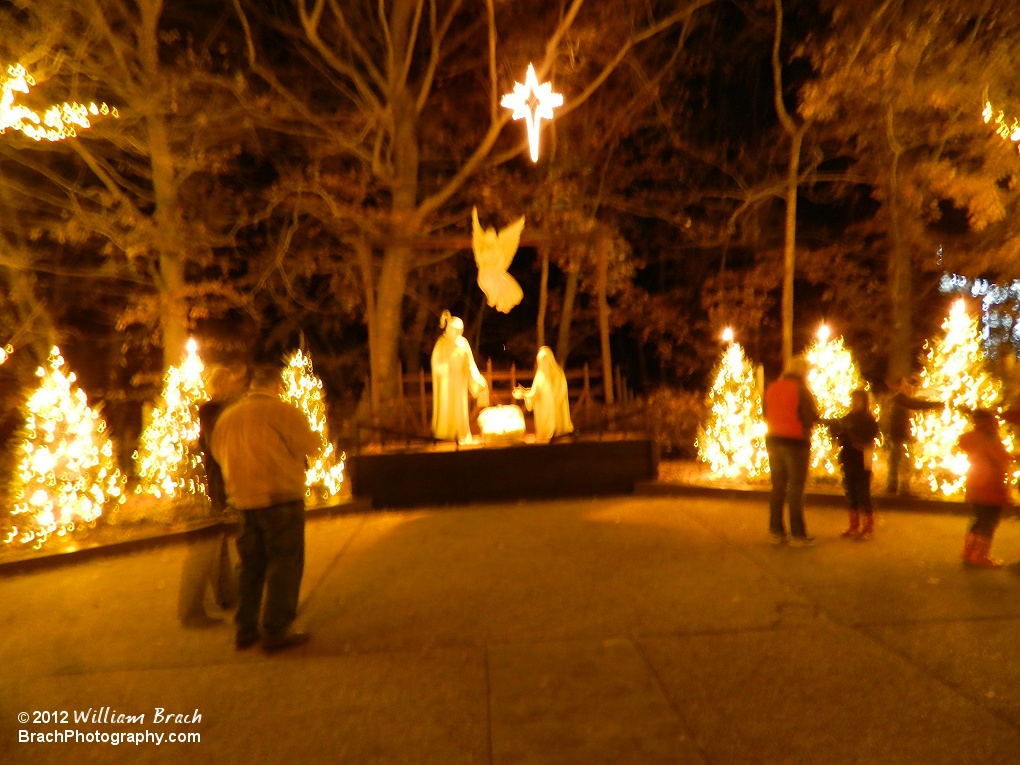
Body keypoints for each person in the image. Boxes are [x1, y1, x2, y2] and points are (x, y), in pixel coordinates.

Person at [211, 363, 321, 652]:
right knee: (285, 563)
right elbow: (311, 446)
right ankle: (276, 629)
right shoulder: (283, 412)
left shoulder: (228, 417)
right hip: (280, 497)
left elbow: (217, 453)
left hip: (245, 502)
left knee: (251, 566)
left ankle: (245, 628)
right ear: (276, 386)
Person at [177, 364, 246, 628]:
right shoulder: (211, 410)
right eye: (228, 382)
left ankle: (228, 595)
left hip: (220, 481)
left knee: (221, 541)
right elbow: (216, 443)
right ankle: (193, 611)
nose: (233, 386)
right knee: (209, 545)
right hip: (217, 484)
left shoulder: (221, 409)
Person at [764, 355, 819, 546]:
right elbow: (810, 416)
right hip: (796, 442)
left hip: (773, 440)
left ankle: (776, 531)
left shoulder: (772, 387)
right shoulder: (802, 391)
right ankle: (798, 534)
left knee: (777, 487)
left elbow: (765, 412)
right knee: (795, 489)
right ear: (803, 371)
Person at [822, 388, 880, 540]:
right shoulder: (849, 417)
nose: (854, 403)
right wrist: (835, 429)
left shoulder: (868, 419)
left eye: (857, 400)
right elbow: (840, 434)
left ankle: (868, 527)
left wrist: (852, 434)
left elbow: (869, 438)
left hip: (862, 460)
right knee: (850, 492)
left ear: (864, 402)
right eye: (853, 400)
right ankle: (854, 526)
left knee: (863, 493)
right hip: (848, 458)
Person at [957, 409, 1011, 569]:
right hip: (990, 485)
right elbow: (999, 459)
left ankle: (968, 551)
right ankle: (979, 556)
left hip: (975, 482)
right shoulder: (990, 437)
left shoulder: (972, 437)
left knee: (977, 519)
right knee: (988, 522)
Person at [431, 310, 489, 443]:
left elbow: (470, 364)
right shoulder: (442, 344)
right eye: (453, 329)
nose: (455, 333)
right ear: (448, 329)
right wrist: (445, 368)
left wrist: (477, 379)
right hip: (446, 382)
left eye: (458, 330)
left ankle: (460, 433)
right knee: (446, 407)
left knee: (459, 408)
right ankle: (445, 434)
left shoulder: (463, 344)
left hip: (459, 382)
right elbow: (436, 363)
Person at [883, 376, 941, 496]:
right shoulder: (898, 398)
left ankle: (895, 487)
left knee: (899, 462)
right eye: (905, 385)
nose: (909, 388)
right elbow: (914, 404)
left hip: (900, 436)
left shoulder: (897, 398)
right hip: (898, 436)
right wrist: (935, 405)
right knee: (903, 462)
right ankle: (899, 488)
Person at [512, 346, 573, 441]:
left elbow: (562, 390)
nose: (543, 363)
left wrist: (555, 401)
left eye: (545, 360)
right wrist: (524, 393)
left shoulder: (558, 374)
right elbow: (535, 392)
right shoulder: (539, 376)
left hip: (555, 409)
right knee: (545, 435)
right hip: (543, 409)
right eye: (541, 361)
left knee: (558, 436)